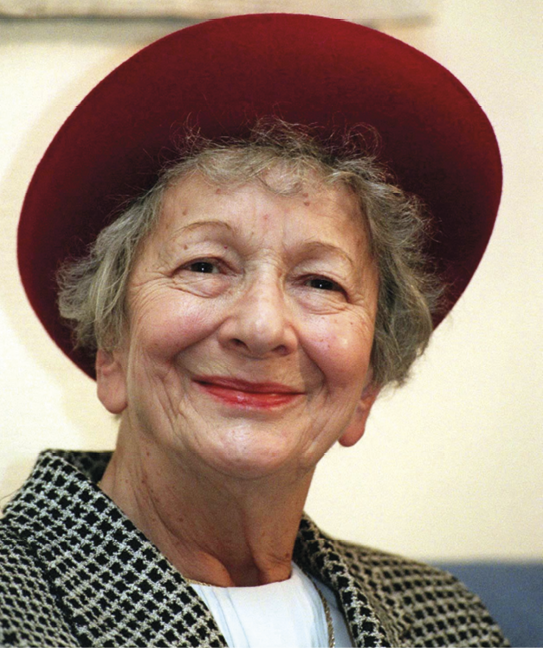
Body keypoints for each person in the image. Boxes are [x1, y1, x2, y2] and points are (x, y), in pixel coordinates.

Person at [1, 13, 508, 648]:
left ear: (367, 386)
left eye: (321, 282)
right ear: (112, 347)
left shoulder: (452, 622)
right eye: (205, 265)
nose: (263, 327)